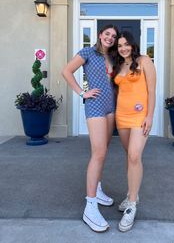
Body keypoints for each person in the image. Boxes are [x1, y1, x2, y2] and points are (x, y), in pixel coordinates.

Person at [62, 24, 119, 232]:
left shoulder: (113, 57)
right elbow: (66, 71)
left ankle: (98, 187)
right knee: (98, 152)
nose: (110, 38)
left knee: (104, 151)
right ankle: (90, 205)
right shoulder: (87, 52)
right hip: (94, 104)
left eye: (113, 36)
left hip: (110, 106)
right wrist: (81, 93)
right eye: (107, 34)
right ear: (100, 35)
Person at [113, 31, 156, 232]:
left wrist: (150, 116)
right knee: (130, 157)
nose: (123, 48)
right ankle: (133, 192)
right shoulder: (118, 65)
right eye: (120, 45)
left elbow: (152, 90)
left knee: (134, 155)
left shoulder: (144, 60)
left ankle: (132, 205)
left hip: (140, 117)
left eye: (126, 44)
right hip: (121, 116)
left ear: (133, 44)